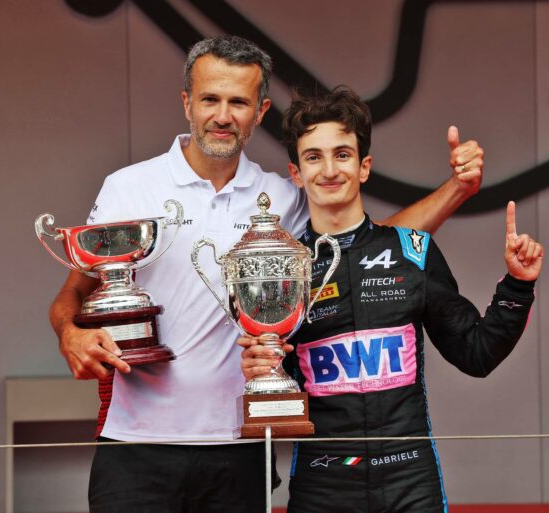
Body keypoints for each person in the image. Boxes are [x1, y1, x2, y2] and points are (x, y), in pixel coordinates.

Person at [49, 36, 485, 513]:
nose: (222, 115)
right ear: (187, 103)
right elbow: (75, 290)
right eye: (210, 99)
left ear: (260, 111)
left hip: (240, 442)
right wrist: (69, 332)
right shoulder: (129, 187)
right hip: (135, 443)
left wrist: (456, 190)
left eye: (238, 102)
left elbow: (368, 244)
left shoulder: (282, 197)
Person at [239, 86, 543, 512]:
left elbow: (477, 353)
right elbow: (278, 382)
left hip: (409, 478)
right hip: (323, 481)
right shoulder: (283, 273)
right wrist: (260, 367)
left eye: (343, 154)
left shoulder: (412, 250)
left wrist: (517, 284)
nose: (329, 169)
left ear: (364, 167)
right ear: (295, 173)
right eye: (314, 157)